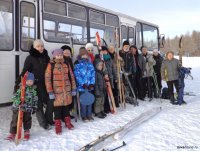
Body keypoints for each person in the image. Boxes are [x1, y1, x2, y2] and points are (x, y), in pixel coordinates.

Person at [14, 39, 53, 130]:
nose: (40, 48)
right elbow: (25, 71)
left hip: (46, 84)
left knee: (50, 102)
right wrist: (18, 83)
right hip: (35, 84)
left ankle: (49, 120)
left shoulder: (46, 57)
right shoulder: (30, 58)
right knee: (38, 105)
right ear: (34, 47)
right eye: (38, 46)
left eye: (42, 46)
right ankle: (44, 124)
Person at [45, 49, 76, 134]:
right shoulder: (51, 65)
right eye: (57, 55)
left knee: (66, 108)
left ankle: (68, 122)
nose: (59, 56)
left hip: (66, 91)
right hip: (56, 92)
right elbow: (47, 79)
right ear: (54, 56)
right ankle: (58, 125)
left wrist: (73, 88)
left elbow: (71, 76)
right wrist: (50, 92)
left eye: (61, 55)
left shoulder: (66, 64)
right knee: (57, 110)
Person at [6, 72, 38, 141]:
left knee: (27, 119)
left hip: (27, 108)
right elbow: (14, 97)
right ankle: (12, 133)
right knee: (15, 120)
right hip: (18, 108)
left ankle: (26, 131)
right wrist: (18, 102)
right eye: (28, 81)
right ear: (24, 81)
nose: (29, 83)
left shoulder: (33, 91)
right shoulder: (20, 89)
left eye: (31, 81)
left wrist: (34, 107)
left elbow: (35, 99)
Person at [74, 47, 95, 122]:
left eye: (86, 55)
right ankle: (84, 115)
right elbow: (77, 75)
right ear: (80, 55)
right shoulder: (78, 64)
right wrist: (82, 84)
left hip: (89, 87)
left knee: (89, 100)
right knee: (83, 102)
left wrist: (92, 83)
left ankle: (89, 114)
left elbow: (93, 74)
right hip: (82, 87)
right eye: (83, 55)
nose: (85, 56)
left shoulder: (90, 64)